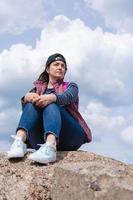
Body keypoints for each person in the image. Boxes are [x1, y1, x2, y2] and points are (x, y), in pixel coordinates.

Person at [7, 53, 92, 164]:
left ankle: (51, 146)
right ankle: (19, 142)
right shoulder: (36, 89)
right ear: (48, 69)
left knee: (51, 104)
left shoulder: (71, 86)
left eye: (63, 66)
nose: (60, 67)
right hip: (39, 139)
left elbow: (67, 97)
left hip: (70, 136)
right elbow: (28, 114)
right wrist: (26, 98)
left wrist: (52, 98)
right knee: (31, 103)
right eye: (56, 64)